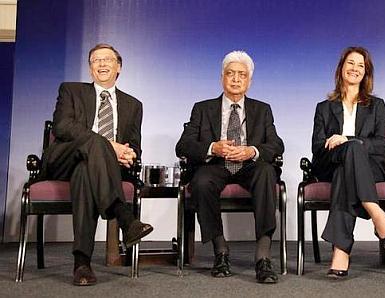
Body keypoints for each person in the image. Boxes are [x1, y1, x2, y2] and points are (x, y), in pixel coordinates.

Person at [43, 43, 154, 286]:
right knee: (94, 143)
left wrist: (129, 154)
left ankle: (81, 264)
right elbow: (61, 127)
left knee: (85, 172)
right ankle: (124, 216)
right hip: (64, 159)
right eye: (96, 60)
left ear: (119, 67)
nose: (102, 64)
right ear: (90, 68)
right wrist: (108, 146)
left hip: (94, 169)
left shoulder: (133, 105)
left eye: (107, 60)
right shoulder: (71, 90)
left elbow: (134, 145)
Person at [175, 50, 284, 284]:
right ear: (221, 78)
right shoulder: (202, 108)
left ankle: (263, 256)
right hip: (216, 165)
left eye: (241, 75)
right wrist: (213, 147)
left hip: (248, 166)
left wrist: (251, 151)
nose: (235, 79)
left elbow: (276, 144)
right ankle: (220, 251)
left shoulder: (262, 109)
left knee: (266, 172)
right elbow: (183, 145)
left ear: (249, 81)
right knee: (202, 182)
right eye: (230, 74)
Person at [310, 46, 385, 279]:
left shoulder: (377, 105)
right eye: (350, 63)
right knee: (345, 160)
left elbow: (382, 145)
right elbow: (317, 147)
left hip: (368, 167)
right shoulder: (324, 108)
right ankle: (376, 213)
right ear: (341, 68)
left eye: (360, 65)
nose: (355, 69)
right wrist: (346, 146)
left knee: (347, 167)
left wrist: (349, 140)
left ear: (366, 72)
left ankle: (341, 252)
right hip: (330, 163)